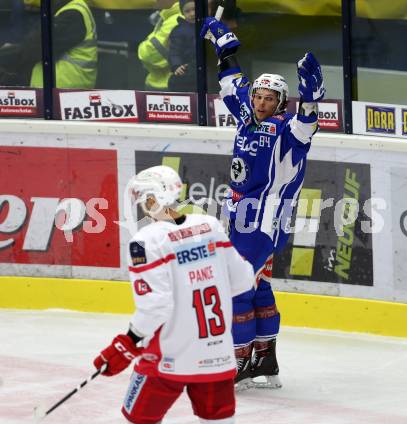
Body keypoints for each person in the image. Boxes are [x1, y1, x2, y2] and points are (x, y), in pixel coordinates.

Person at [201, 17, 325, 390]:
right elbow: (231, 82)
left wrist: (312, 96)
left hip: (262, 223)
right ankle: (265, 358)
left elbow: (308, 123)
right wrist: (224, 46)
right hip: (241, 217)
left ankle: (237, 362)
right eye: (258, 96)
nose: (261, 102)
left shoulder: (289, 131)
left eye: (270, 98)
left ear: (281, 102)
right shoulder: (245, 113)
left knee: (236, 286)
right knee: (259, 286)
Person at [93, 165, 255, 423]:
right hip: (218, 357)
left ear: (151, 199)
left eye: (142, 200)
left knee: (139, 419)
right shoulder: (210, 225)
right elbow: (244, 280)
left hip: (168, 358)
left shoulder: (146, 241)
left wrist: (128, 341)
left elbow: (156, 306)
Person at [0, 0, 97, 88]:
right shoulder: (63, 8)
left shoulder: (73, 13)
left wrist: (5, 56)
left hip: (63, 90)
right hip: (56, 86)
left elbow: (35, 49)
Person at [138, 0, 181, 91]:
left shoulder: (176, 20)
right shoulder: (169, 16)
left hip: (167, 86)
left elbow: (149, 54)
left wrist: (142, 47)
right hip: (161, 82)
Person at [167, 0, 196, 92]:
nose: (192, 14)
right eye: (187, 11)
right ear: (182, 13)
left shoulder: (208, 25)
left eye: (195, 9)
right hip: (187, 69)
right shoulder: (179, 30)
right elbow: (174, 51)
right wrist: (176, 65)